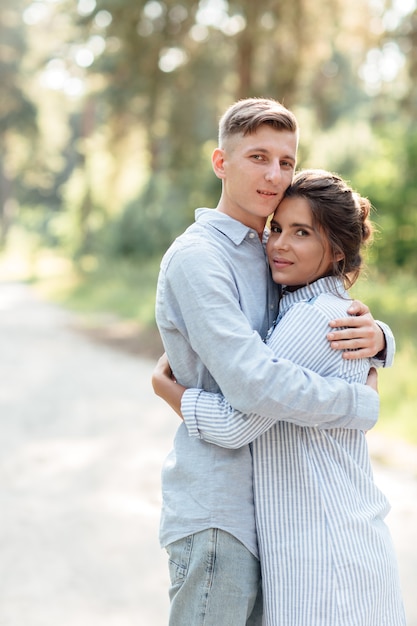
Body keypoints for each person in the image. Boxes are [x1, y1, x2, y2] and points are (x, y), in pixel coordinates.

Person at [153, 98, 394, 625]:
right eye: (258, 158)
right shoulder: (201, 258)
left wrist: (378, 337)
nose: (274, 174)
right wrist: (359, 402)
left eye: (286, 162)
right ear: (221, 163)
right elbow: (256, 383)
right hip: (221, 512)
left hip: (273, 519)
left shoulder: (265, 251)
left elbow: (316, 316)